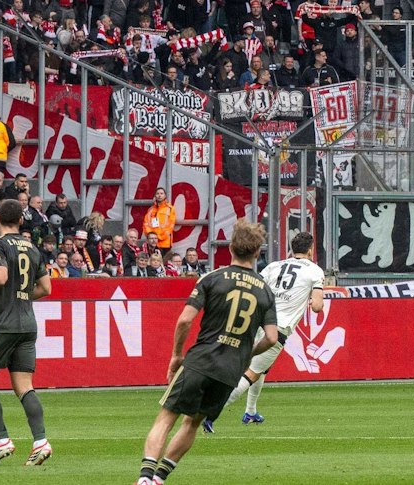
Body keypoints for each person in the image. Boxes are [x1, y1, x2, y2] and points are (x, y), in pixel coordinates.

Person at [135, 220, 280, 485]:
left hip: (201, 361)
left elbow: (184, 321)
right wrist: (247, 353)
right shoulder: (266, 291)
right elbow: (272, 337)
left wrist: (177, 355)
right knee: (192, 423)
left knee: (166, 418)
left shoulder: (213, 278)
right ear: (258, 252)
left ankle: (145, 478)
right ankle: (159, 479)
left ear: (231, 248)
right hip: (229, 371)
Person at [0, 199, 53, 467]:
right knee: (24, 386)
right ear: (21, 220)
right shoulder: (32, 247)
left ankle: (3, 440)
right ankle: (40, 441)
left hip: (2, 325)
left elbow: (0, 277)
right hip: (27, 325)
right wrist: (23, 298)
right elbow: (46, 287)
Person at [220, 230, 325, 428]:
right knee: (252, 372)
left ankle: (250, 412)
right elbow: (318, 307)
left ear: (291, 249)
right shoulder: (314, 271)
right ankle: (211, 411)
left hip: (257, 320)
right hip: (278, 328)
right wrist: (312, 298)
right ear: (310, 250)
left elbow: (255, 289)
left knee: (261, 369)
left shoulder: (274, 266)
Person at [142, 195, 178, 267]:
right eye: (157, 193)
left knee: (163, 265)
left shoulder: (170, 209)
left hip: (165, 243)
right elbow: (146, 223)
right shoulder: (151, 210)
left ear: (165, 196)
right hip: (153, 243)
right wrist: (151, 236)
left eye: (161, 193)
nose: (159, 195)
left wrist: (159, 237)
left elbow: (171, 225)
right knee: (150, 263)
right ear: (155, 196)